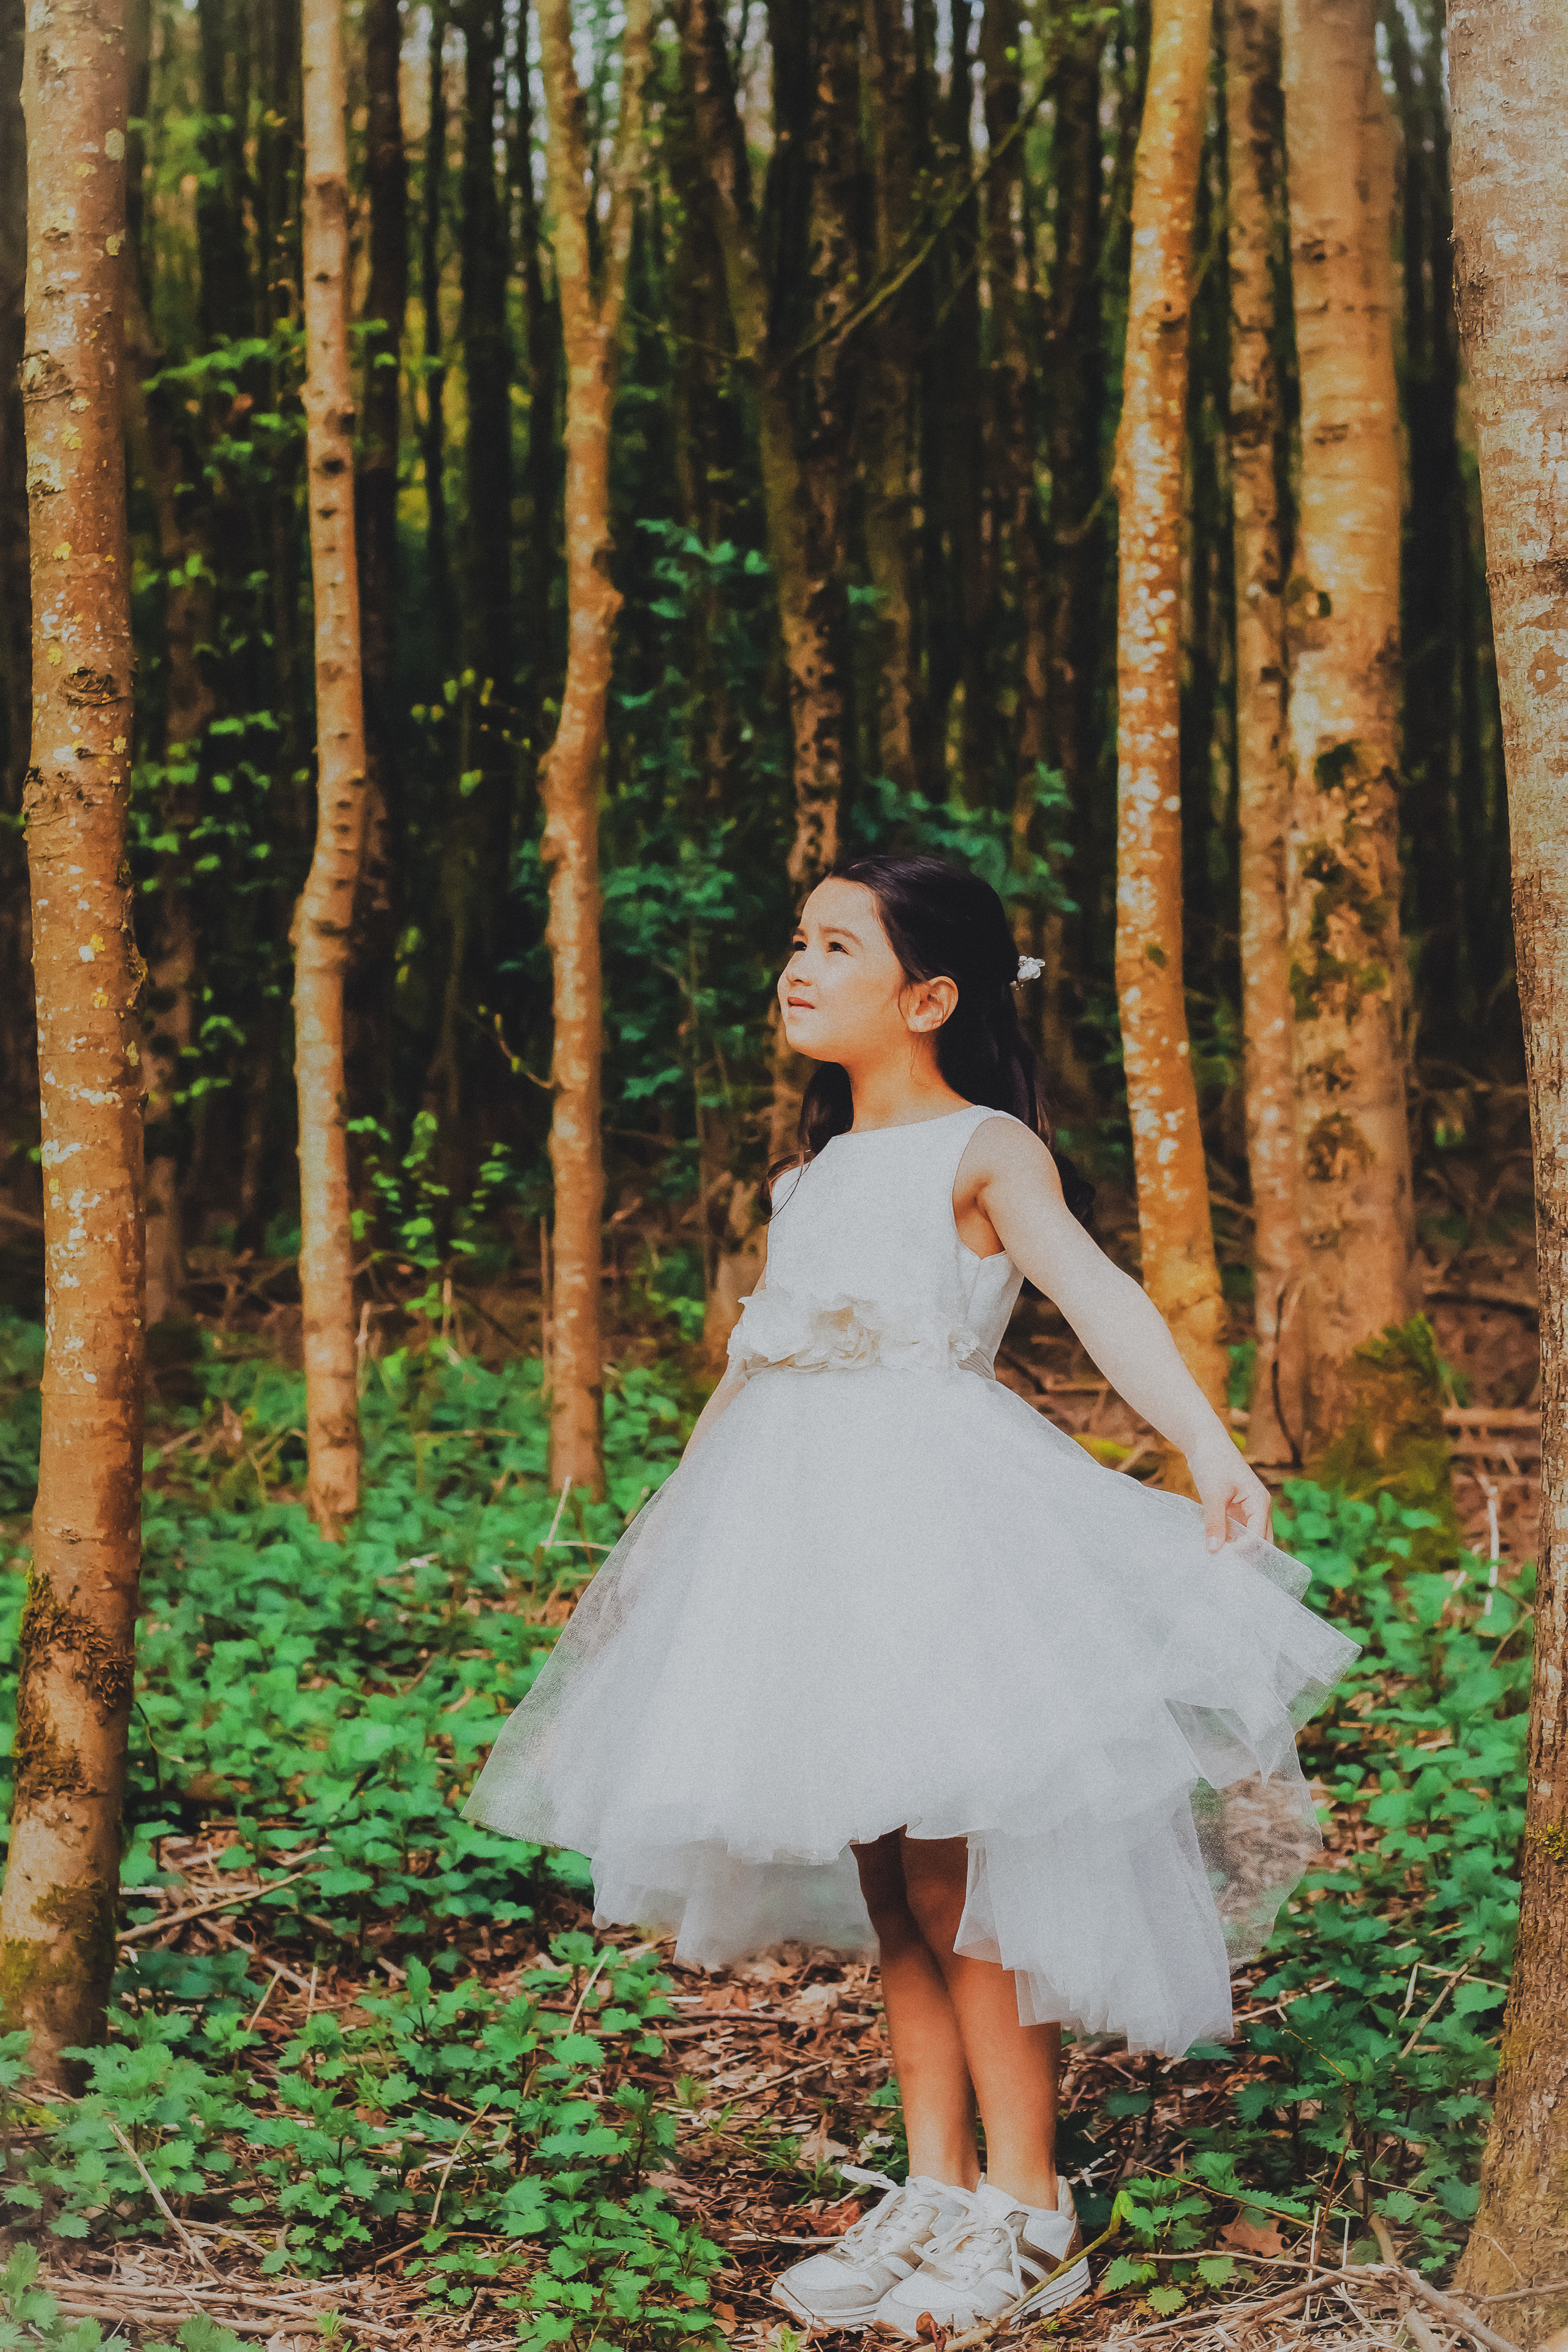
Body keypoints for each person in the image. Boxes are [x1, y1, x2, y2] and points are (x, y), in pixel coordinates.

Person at [465, 853, 1359, 2337]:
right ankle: (935, 2187)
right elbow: (752, 1373)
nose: (796, 967)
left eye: (836, 945)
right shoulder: (805, 1178)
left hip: (934, 1542)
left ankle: (1028, 2205)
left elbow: (1096, 1293)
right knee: (889, 1877)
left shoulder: (982, 1150)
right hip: (801, 1548)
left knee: (957, 1877)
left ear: (929, 997)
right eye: (795, 940)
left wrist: (1207, 1445)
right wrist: (669, 1547)